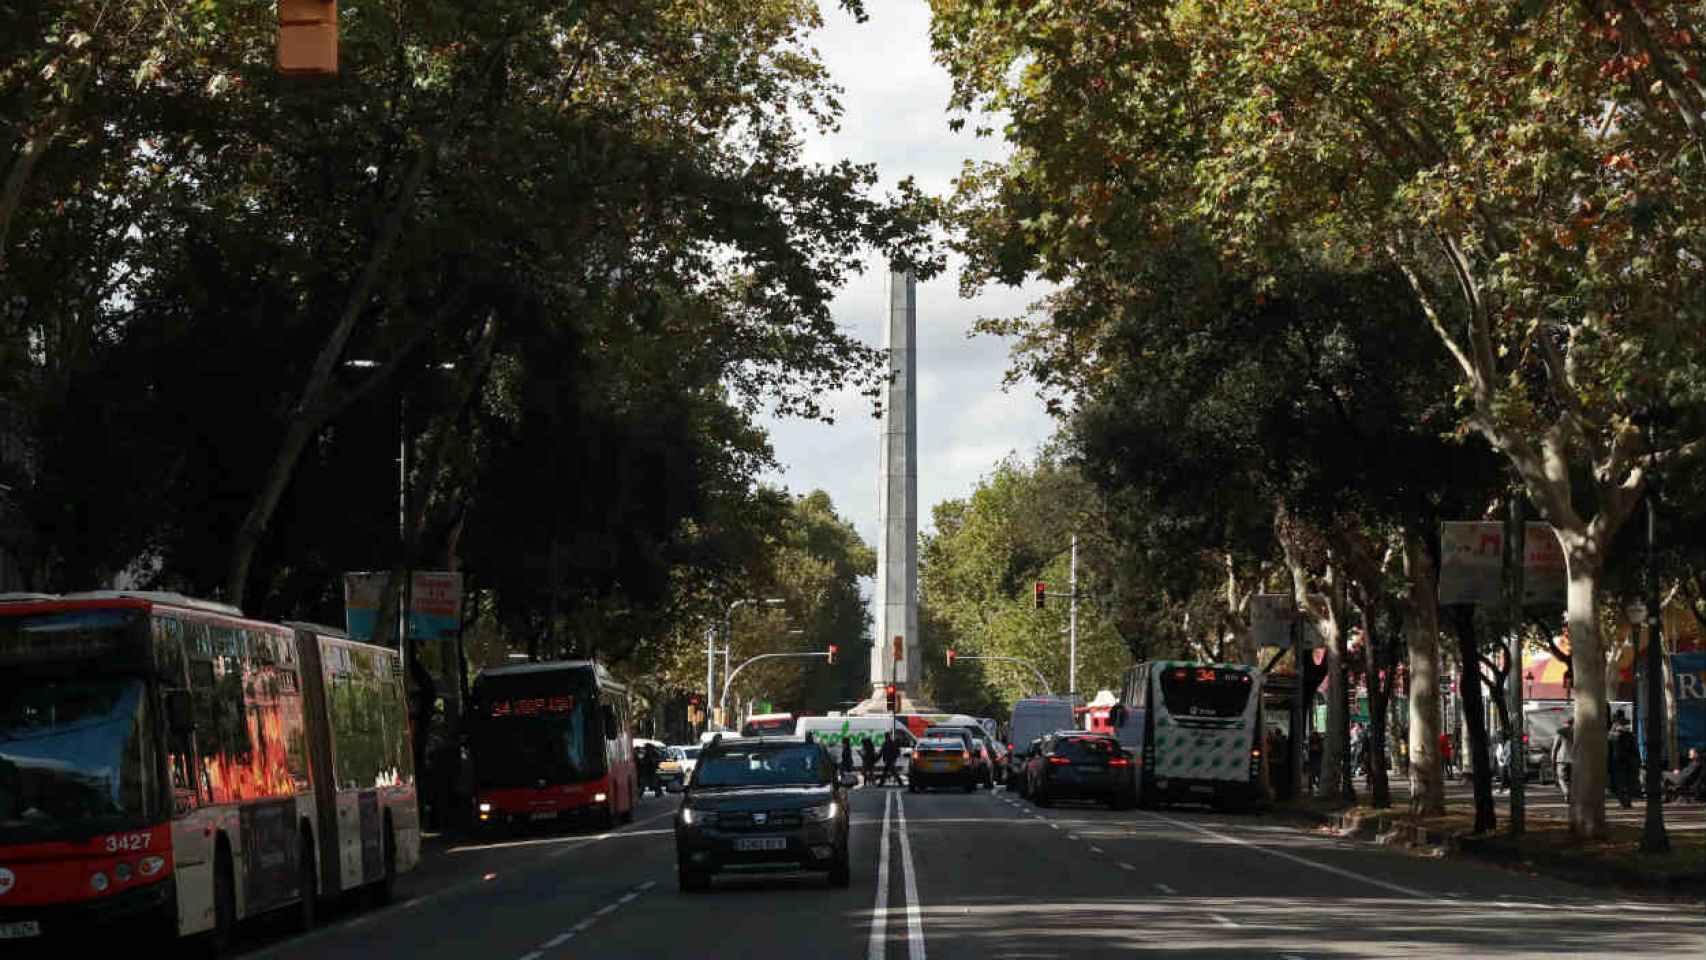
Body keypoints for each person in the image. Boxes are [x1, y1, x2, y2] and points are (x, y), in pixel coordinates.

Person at [1610, 711, 1640, 808]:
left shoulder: (1613, 735)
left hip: (1618, 762)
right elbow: (1635, 750)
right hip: (1627, 761)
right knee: (1627, 782)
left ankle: (1624, 802)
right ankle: (1626, 801)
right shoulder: (1629, 735)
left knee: (1619, 783)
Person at [1551, 717, 1575, 801]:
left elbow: (1555, 747)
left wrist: (1552, 759)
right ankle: (1571, 794)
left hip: (1562, 759)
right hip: (1574, 760)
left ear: (1565, 723)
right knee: (1572, 779)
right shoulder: (1577, 732)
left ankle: (1566, 792)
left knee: (1561, 778)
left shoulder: (1560, 732)